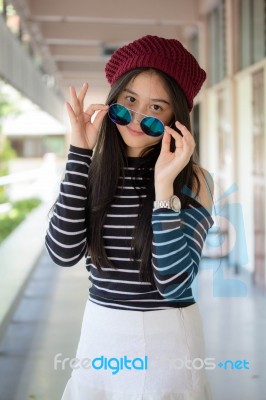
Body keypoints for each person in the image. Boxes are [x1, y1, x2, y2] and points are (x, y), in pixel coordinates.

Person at [45, 35, 215, 400]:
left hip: (167, 336)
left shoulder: (194, 180)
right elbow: (62, 252)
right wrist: (79, 151)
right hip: (100, 328)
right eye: (129, 103)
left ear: (176, 118)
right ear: (113, 101)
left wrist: (164, 187)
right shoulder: (93, 171)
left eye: (156, 109)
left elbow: (174, 284)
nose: (137, 120)